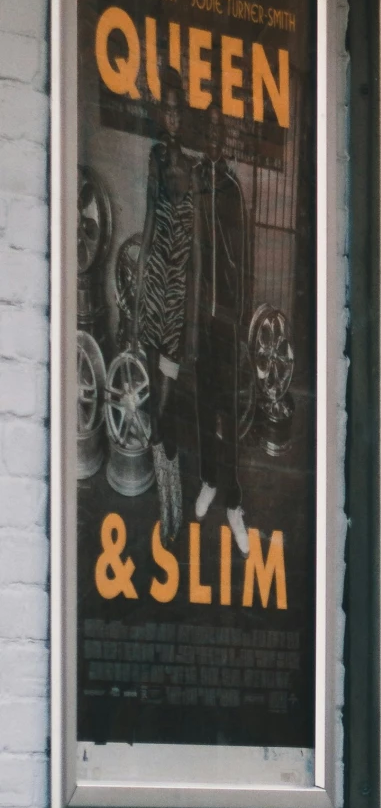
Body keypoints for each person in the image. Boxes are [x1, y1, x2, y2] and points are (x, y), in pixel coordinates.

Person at [133, 69, 195, 544]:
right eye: (167, 109)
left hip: (179, 289)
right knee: (156, 393)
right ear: (161, 114)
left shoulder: (191, 167)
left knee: (168, 397)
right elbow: (151, 222)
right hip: (156, 282)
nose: (172, 117)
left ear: (184, 116)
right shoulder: (156, 159)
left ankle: (170, 488)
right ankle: (167, 505)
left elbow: (193, 243)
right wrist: (138, 287)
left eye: (179, 110)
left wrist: (189, 302)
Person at [192, 106, 250, 551]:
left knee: (228, 414)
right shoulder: (194, 181)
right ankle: (209, 480)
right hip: (200, 317)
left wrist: (242, 317)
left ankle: (233, 501)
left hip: (228, 321)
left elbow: (243, 260)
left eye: (220, 131)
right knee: (202, 402)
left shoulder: (232, 189)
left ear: (227, 140)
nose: (214, 137)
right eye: (208, 130)